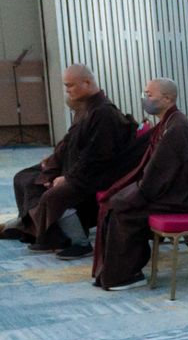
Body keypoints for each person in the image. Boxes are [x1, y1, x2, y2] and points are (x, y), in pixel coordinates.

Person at [91, 79, 188, 290]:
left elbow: (159, 174)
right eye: (144, 93)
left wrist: (136, 194)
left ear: (167, 99)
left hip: (183, 198)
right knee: (116, 202)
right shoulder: (168, 123)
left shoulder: (177, 128)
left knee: (123, 210)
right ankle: (117, 271)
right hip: (172, 191)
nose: (144, 99)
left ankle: (125, 274)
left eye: (149, 95)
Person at [3, 65, 138, 256]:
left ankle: (78, 242)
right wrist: (52, 164)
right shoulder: (86, 108)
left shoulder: (103, 113)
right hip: (77, 167)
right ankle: (37, 229)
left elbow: (96, 157)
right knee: (24, 177)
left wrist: (67, 177)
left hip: (95, 175)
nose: (67, 90)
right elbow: (68, 142)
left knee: (52, 194)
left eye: (70, 85)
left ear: (87, 82)